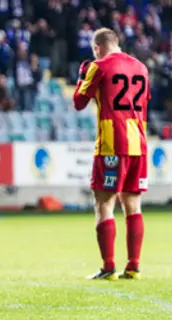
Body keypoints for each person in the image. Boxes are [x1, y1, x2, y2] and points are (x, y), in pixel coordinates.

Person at [73, 28, 149, 280]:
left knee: (103, 202)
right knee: (132, 204)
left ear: (97, 47)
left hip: (111, 144)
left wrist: (81, 77)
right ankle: (134, 266)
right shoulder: (141, 67)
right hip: (138, 142)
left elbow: (79, 102)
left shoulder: (99, 66)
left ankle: (108, 267)